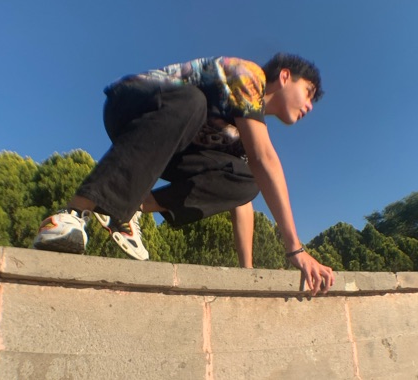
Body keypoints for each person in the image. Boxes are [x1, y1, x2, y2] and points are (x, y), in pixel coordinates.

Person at [33, 54, 335, 295]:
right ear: (285, 77)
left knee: (247, 179)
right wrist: (295, 249)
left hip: (165, 149)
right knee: (194, 102)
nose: (310, 106)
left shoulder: (243, 134)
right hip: (135, 106)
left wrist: (248, 272)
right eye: (308, 93)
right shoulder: (248, 74)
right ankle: (73, 214)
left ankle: (133, 207)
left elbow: (242, 201)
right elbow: (265, 157)